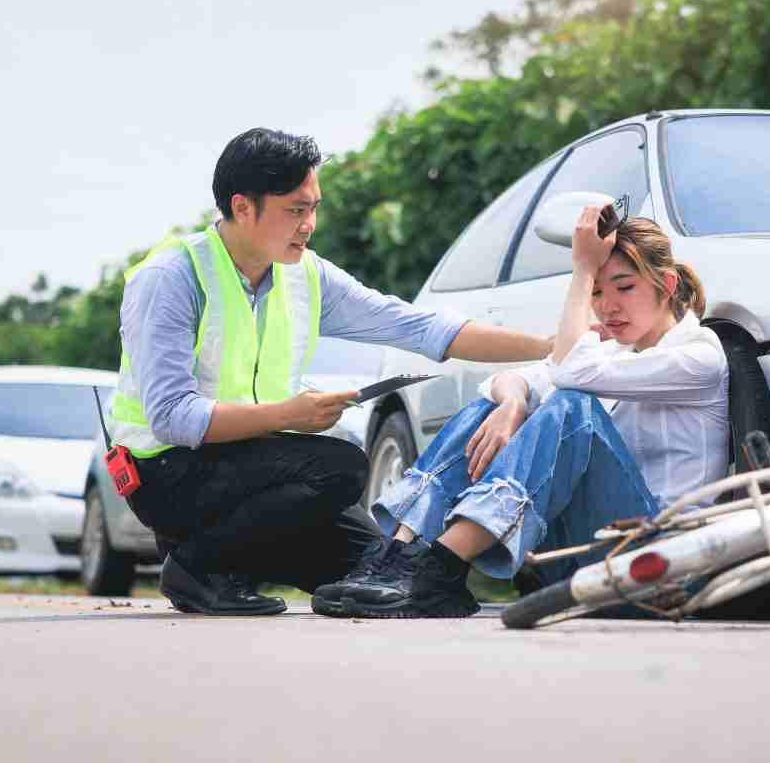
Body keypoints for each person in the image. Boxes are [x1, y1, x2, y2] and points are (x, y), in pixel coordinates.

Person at [110, 128, 551, 615]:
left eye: (314, 208)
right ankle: (196, 568)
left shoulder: (305, 274)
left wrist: (549, 348)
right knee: (341, 466)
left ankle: (230, 563)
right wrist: (291, 415)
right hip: (167, 473)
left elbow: (417, 327)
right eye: (296, 210)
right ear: (242, 207)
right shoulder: (171, 278)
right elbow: (173, 417)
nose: (309, 224)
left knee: (379, 567)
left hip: (254, 477)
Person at [313, 205, 729, 618]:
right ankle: (399, 557)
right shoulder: (615, 355)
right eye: (597, 292)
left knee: (573, 406)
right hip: (591, 556)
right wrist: (512, 403)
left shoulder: (699, 356)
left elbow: (569, 371)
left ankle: (439, 568)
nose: (607, 307)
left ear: (666, 284)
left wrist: (583, 270)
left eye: (624, 287)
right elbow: (502, 381)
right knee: (491, 409)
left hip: (660, 567)